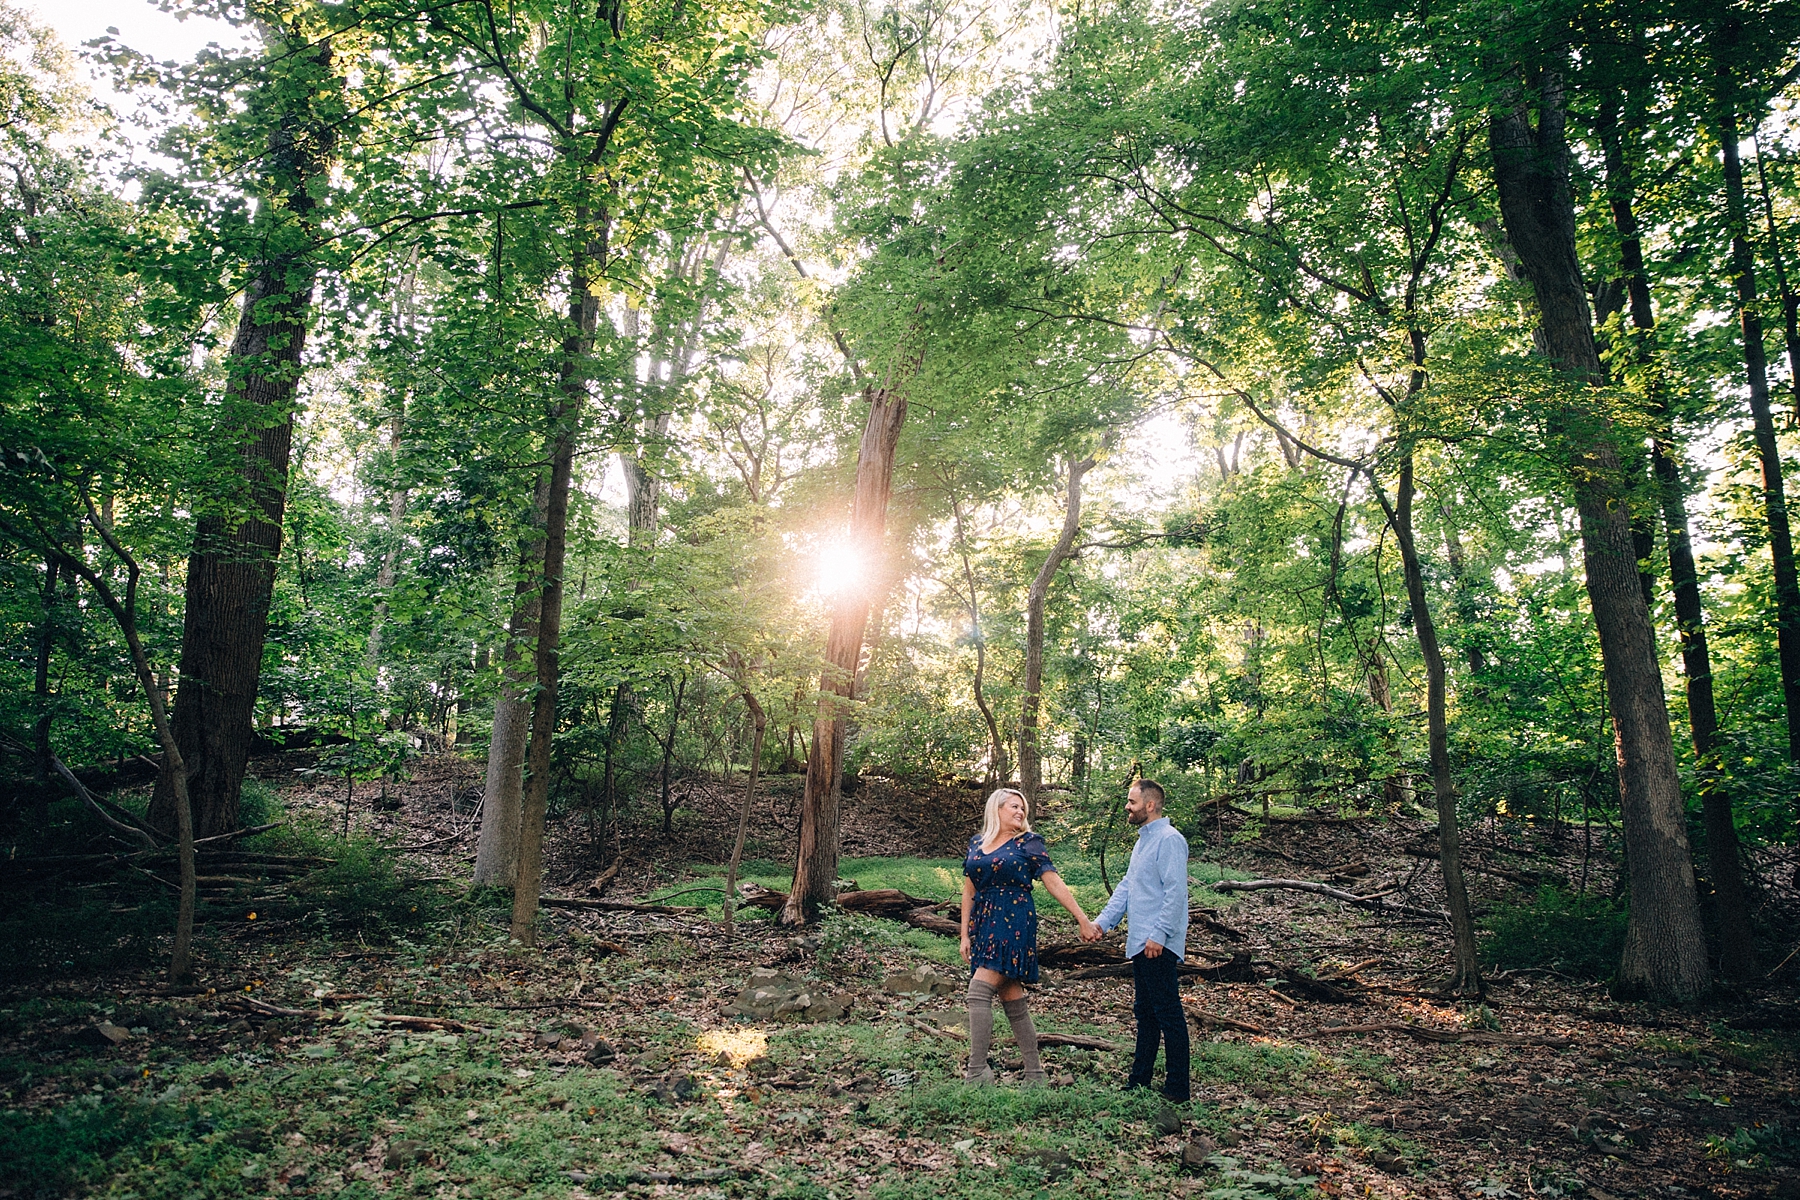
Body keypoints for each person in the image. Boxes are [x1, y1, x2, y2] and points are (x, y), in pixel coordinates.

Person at [960, 786, 1098, 1085]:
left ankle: (976, 1072)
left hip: (1014, 921)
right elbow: (969, 891)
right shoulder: (977, 843)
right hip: (983, 923)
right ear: (996, 810)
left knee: (978, 992)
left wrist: (1082, 918)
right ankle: (1035, 1074)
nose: (1020, 812)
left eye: (1023, 808)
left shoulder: (1028, 843)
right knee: (1012, 996)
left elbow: (1053, 882)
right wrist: (964, 935)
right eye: (1013, 806)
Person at [1087, 778, 1190, 1102]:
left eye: (1132, 802)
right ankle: (1139, 1081)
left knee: (1168, 1014)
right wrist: (1103, 922)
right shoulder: (1144, 841)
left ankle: (1177, 1090)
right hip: (1141, 942)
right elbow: (1128, 887)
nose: (1127, 807)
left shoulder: (1170, 840)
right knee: (1145, 1013)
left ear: (1149, 805)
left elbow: (1176, 893)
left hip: (1157, 942)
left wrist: (1158, 934)